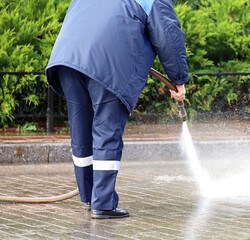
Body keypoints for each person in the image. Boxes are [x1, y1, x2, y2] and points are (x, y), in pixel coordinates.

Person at [45, 0, 189, 219]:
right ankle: (102, 204)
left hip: (67, 59)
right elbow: (168, 35)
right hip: (108, 62)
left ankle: (88, 197)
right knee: (107, 130)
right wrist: (179, 80)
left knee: (81, 129)